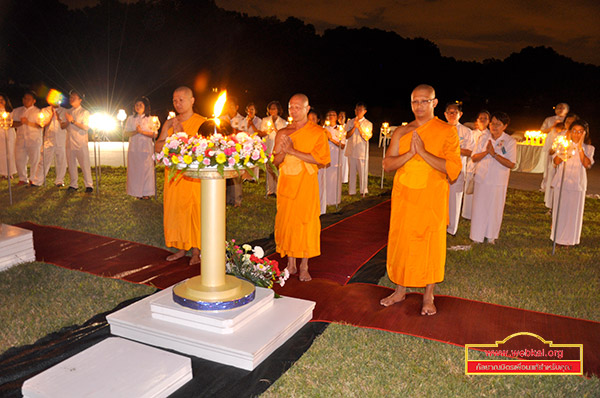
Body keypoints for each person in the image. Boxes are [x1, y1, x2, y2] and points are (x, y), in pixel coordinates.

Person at [380, 84, 461, 315]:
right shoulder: (401, 132)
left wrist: (424, 152)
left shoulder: (447, 131)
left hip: (431, 198)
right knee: (402, 241)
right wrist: (409, 154)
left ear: (434, 103)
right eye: (415, 101)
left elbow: (453, 169)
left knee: (430, 245)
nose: (419, 106)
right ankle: (399, 290)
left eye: (424, 101)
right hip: (404, 196)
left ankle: (428, 295)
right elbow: (387, 164)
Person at [273, 93, 330, 282]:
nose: (294, 111)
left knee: (305, 222)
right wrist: (282, 152)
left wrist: (292, 150)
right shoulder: (283, 132)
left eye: (298, 107)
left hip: (306, 184)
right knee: (288, 221)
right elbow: (276, 161)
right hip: (287, 183)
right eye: (291, 107)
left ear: (307, 109)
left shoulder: (317, 132)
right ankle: (291, 263)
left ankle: (304, 265)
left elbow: (321, 160)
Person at [154, 86, 206, 265]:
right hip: (174, 176)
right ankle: (181, 248)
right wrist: (171, 136)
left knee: (194, 213)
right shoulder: (169, 123)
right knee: (176, 211)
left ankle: (197, 251)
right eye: (174, 100)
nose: (177, 104)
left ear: (192, 101)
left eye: (181, 100)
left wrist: (179, 135)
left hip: (193, 177)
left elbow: (202, 150)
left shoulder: (202, 122)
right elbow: (157, 146)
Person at [469, 112, 516, 244]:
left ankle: (491, 236)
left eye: (498, 124)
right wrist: (486, 152)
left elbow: (511, 163)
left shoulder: (510, 141)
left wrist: (494, 154)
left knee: (495, 209)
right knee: (479, 207)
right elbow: (474, 157)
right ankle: (476, 236)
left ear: (505, 126)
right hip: (482, 178)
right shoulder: (484, 138)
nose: (494, 126)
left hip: (498, 181)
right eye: (492, 123)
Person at [550, 120, 594, 246]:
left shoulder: (589, 148)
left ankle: (570, 239)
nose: (576, 134)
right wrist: (565, 151)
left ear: (584, 133)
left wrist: (580, 147)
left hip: (577, 184)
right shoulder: (563, 144)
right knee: (560, 210)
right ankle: (557, 238)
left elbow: (586, 164)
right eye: (574, 131)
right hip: (562, 182)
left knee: (573, 213)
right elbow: (556, 161)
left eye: (580, 132)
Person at [444, 102, 474, 235]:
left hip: (458, 169)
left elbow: (470, 151)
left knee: (454, 199)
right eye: (449, 112)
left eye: (454, 112)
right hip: (440, 168)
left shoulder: (466, 131)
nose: (452, 115)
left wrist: (455, 150)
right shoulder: (441, 129)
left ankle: (451, 229)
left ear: (460, 114)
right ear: (445, 114)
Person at [544, 113, 578, 209]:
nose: (569, 124)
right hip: (557, 164)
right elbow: (553, 148)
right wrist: (554, 150)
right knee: (554, 185)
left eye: (572, 122)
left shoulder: (577, 137)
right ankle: (552, 206)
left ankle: (565, 206)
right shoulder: (560, 135)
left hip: (571, 167)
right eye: (567, 122)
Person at [31, 99, 68, 187]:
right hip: (49, 139)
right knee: (44, 161)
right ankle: (38, 181)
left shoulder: (65, 111)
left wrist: (59, 119)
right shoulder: (44, 111)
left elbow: (65, 125)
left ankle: (59, 181)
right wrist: (51, 116)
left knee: (61, 161)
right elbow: (42, 124)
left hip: (61, 139)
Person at [125, 96, 156, 199]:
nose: (138, 107)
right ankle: (136, 192)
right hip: (134, 148)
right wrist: (136, 132)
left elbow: (154, 134)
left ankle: (146, 193)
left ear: (145, 107)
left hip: (146, 148)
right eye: (136, 105)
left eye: (140, 105)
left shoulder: (150, 119)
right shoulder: (130, 119)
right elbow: (125, 133)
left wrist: (142, 132)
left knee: (146, 170)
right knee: (135, 170)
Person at [462, 110, 490, 219]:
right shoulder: (472, 134)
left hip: (483, 167)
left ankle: (479, 213)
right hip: (471, 165)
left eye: (485, 118)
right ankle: (467, 213)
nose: (482, 120)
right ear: (477, 120)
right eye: (481, 118)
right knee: (469, 190)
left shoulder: (490, 135)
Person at [64, 90, 93, 193]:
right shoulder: (68, 112)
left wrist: (73, 121)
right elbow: (64, 126)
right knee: (71, 163)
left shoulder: (84, 112)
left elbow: (86, 127)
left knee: (84, 163)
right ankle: (73, 184)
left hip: (81, 142)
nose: (71, 99)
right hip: (70, 141)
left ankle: (89, 184)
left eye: (74, 98)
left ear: (80, 100)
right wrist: (64, 121)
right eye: (70, 97)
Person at [12, 91, 42, 186]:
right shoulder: (17, 111)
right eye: (24, 98)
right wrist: (20, 123)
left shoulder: (37, 111)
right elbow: (10, 123)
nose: (25, 101)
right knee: (19, 159)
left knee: (34, 160)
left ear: (34, 101)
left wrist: (27, 122)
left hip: (34, 140)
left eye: (28, 99)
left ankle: (33, 179)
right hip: (21, 139)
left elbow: (40, 125)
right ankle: (22, 178)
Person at [260, 101, 287, 196]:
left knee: (277, 169)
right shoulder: (265, 120)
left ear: (278, 110)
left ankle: (278, 189)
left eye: (274, 108)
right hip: (268, 146)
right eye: (271, 108)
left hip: (277, 147)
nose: (272, 110)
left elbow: (283, 134)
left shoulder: (283, 122)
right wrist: (266, 132)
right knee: (269, 169)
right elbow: (261, 133)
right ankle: (270, 190)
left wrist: (275, 129)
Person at [345, 102, 372, 196]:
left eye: (360, 110)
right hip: (351, 150)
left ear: (365, 111)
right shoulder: (350, 122)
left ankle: (363, 190)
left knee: (362, 172)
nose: (358, 111)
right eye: (356, 109)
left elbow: (366, 137)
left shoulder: (368, 123)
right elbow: (346, 135)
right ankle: (351, 191)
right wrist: (353, 127)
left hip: (361, 151)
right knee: (351, 172)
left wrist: (359, 127)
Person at [221, 97, 244, 206]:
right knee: (225, 175)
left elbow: (242, 133)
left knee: (236, 175)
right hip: (224, 150)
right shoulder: (222, 118)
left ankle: (237, 200)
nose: (229, 108)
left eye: (232, 106)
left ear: (237, 107)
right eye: (228, 106)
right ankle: (225, 199)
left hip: (236, 149)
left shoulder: (242, 119)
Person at [324, 110, 345, 206]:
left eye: (333, 115)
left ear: (337, 117)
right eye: (329, 115)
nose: (331, 116)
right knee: (326, 180)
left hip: (336, 158)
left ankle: (335, 200)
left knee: (335, 180)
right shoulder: (323, 129)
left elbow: (342, 145)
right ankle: (326, 200)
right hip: (326, 158)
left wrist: (331, 139)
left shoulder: (341, 129)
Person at [0, 93, 17, 179]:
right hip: (0, 133)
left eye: (2, 99)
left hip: (9, 133)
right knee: (1, 153)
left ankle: (10, 172)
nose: (1, 101)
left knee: (10, 152)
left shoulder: (11, 111)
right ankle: (3, 172)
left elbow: (13, 122)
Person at [338, 111, 349, 184]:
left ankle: (344, 179)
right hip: (337, 147)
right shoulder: (336, 127)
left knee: (345, 163)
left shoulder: (347, 127)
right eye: (340, 116)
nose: (341, 118)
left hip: (345, 147)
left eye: (343, 117)